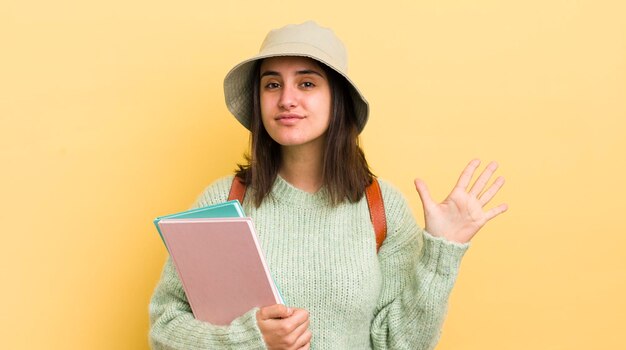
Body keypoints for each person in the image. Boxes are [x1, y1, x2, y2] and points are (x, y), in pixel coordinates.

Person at [149, 21, 507, 350]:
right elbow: (164, 329)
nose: (287, 98)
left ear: (337, 100)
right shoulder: (225, 200)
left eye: (307, 83)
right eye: (272, 84)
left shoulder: (381, 208)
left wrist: (442, 252)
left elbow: (399, 344)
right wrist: (249, 338)